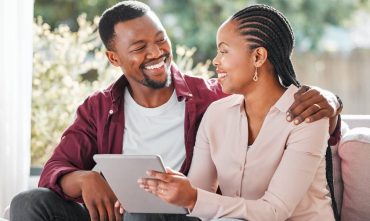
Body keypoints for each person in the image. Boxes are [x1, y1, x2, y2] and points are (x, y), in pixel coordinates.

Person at [9, 1, 341, 221]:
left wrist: (331, 101)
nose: (156, 53)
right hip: (119, 212)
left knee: (144, 212)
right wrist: (85, 179)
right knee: (27, 203)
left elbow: (275, 97)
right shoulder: (99, 107)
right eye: (139, 47)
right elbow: (55, 169)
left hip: (173, 214)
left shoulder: (208, 97)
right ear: (114, 59)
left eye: (161, 39)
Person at [139, 4, 337, 221]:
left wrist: (193, 197)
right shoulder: (217, 114)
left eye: (224, 51)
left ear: (258, 57)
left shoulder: (306, 115)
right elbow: (198, 191)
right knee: (140, 214)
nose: (215, 60)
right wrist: (160, 192)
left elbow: (275, 212)